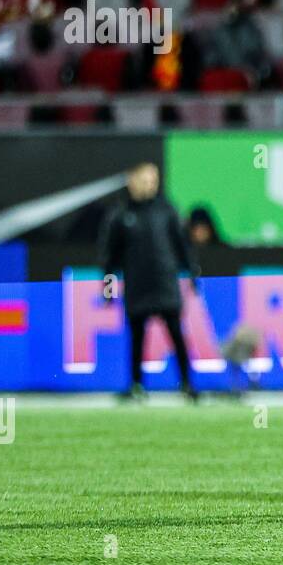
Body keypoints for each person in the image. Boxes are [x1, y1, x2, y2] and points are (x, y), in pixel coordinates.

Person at [99, 162, 202, 402]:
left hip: (165, 284)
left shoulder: (167, 211)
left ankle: (187, 385)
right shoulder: (120, 215)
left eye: (153, 180)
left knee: (177, 334)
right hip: (137, 286)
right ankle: (136, 386)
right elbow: (109, 257)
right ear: (131, 181)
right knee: (136, 338)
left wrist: (193, 274)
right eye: (144, 179)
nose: (149, 184)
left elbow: (182, 246)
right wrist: (107, 290)